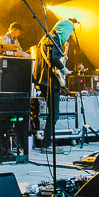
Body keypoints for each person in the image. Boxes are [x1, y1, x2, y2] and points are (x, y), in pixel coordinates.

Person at [32, 18, 76, 148]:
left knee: (53, 113)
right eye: (68, 33)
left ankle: (47, 142)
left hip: (46, 80)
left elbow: (52, 56)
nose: (68, 36)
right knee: (54, 114)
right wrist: (64, 69)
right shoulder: (52, 38)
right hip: (48, 81)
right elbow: (52, 57)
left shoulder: (49, 38)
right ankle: (47, 143)